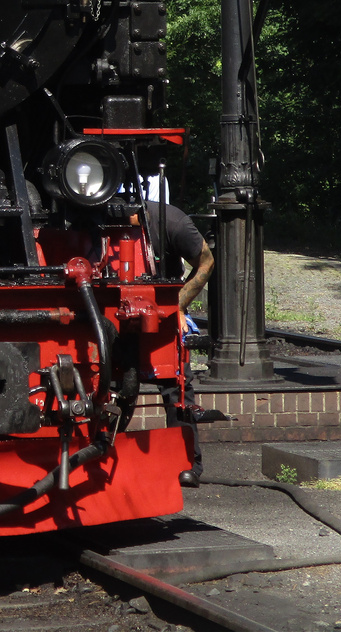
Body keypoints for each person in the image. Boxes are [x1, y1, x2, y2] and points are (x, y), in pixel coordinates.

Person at [132, 200, 217, 487]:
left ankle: (188, 462)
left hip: (163, 309)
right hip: (112, 315)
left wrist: (178, 306)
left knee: (178, 383)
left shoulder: (172, 221)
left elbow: (206, 261)